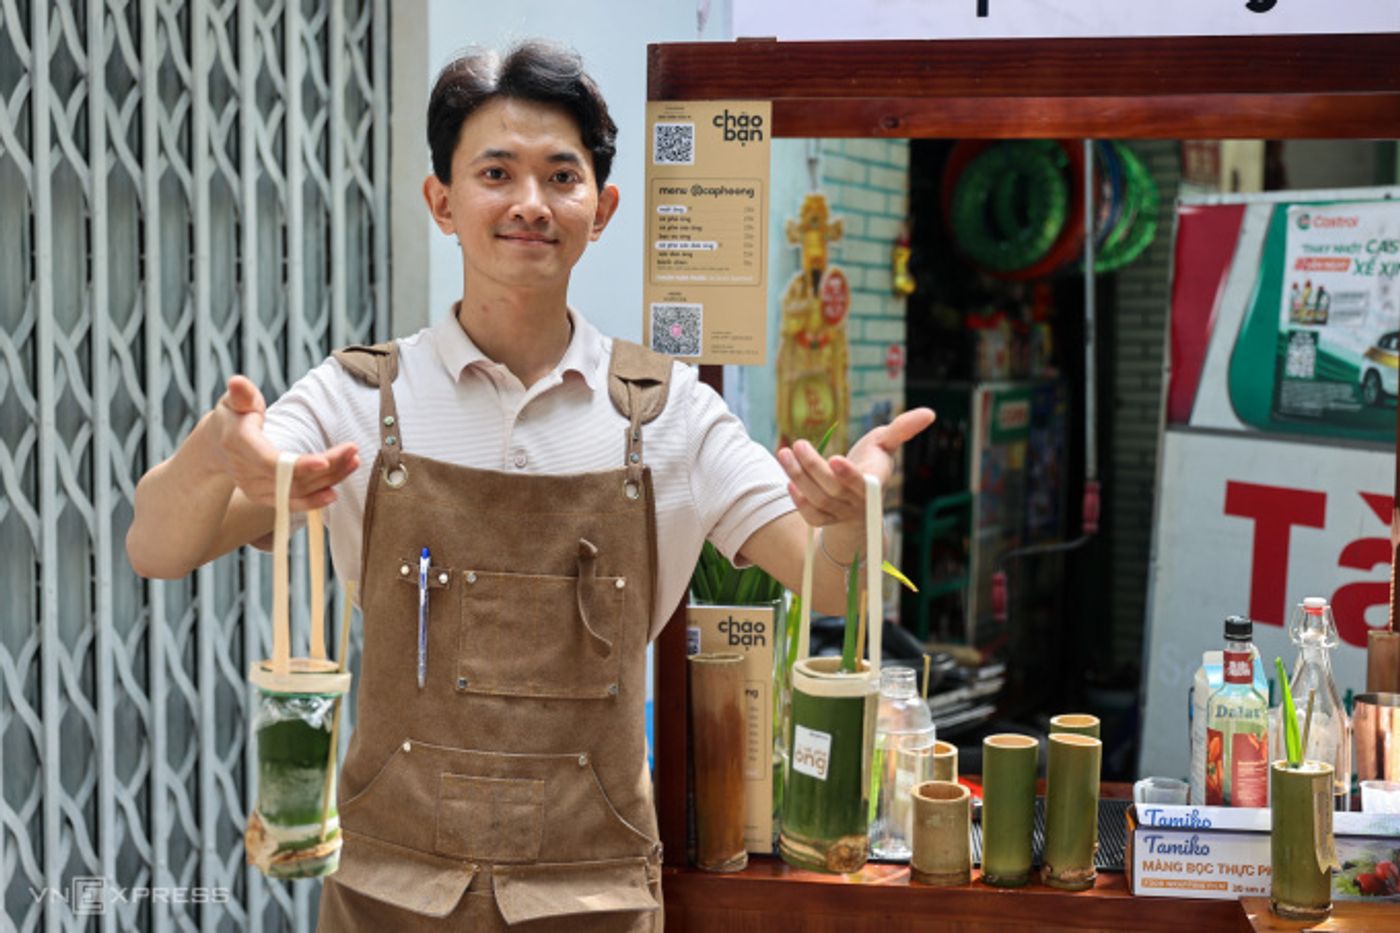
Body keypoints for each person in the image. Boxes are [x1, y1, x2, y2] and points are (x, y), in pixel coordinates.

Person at [126, 40, 932, 931]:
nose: (529, 204)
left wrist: (854, 516)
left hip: (594, 901)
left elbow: (823, 575)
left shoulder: (672, 415)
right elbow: (156, 548)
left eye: (561, 175)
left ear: (603, 206)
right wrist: (217, 449)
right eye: (496, 172)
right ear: (441, 201)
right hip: (386, 895)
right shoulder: (355, 398)